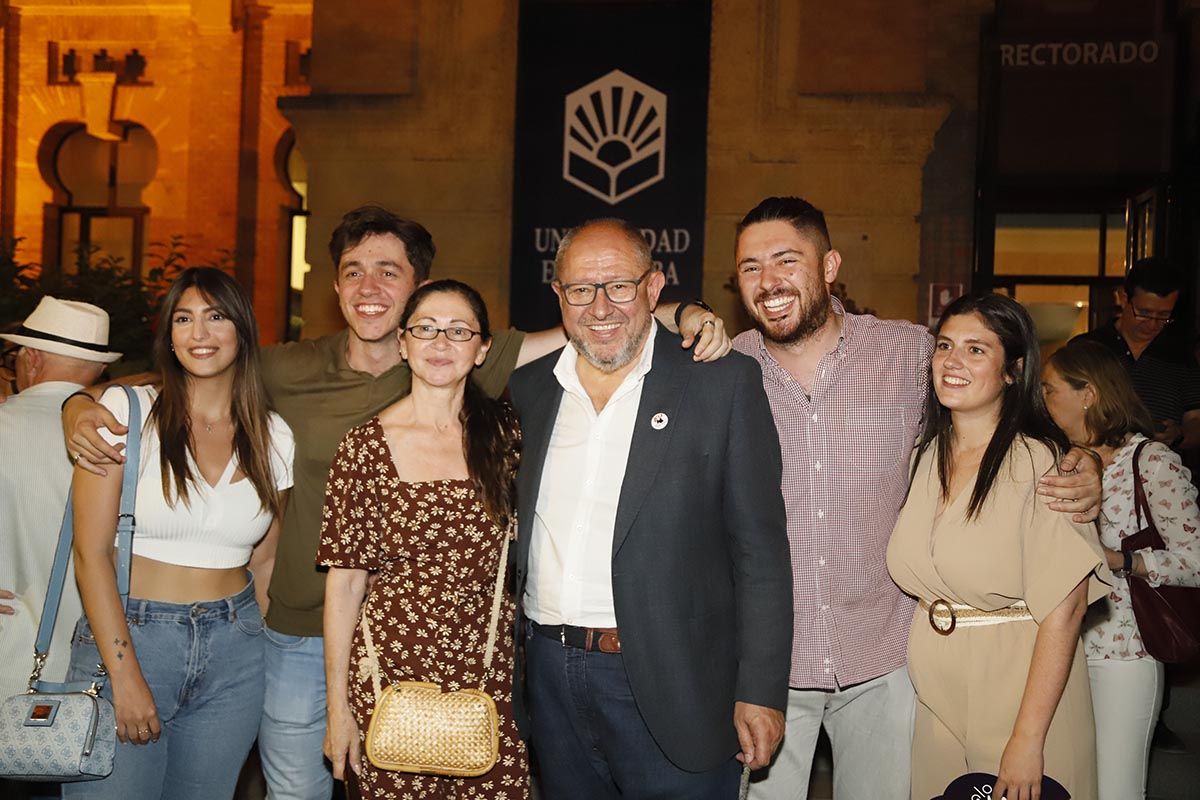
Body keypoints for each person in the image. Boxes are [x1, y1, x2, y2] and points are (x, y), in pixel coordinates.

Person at [58, 206, 730, 800]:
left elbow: (600, 316)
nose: (369, 288)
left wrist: (687, 313)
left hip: (473, 666)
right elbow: (200, 360)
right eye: (353, 272)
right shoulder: (291, 368)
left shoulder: (485, 384)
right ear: (338, 288)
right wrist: (80, 400)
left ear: (423, 294)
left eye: (388, 271)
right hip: (298, 636)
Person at [729, 196, 1102, 800]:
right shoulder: (727, 366)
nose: (768, 281)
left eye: (785, 260)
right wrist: (687, 311)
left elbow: (996, 394)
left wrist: (1082, 462)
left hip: (888, 660)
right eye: (749, 267)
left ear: (829, 266)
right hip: (767, 665)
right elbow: (642, 315)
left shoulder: (910, 354)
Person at [508, 219, 793, 799]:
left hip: (674, 681)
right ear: (558, 296)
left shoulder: (722, 384)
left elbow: (760, 551)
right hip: (548, 677)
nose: (600, 306)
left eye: (619, 285)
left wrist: (761, 689)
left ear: (655, 288)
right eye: (581, 289)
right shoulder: (528, 391)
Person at [62, 267, 294, 800]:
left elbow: (263, 564)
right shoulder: (126, 413)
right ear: (168, 335)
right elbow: (91, 554)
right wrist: (124, 676)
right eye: (184, 319)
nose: (199, 333)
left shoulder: (274, 435)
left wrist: (265, 663)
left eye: (216, 317)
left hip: (236, 651)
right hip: (134, 634)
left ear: (241, 330)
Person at [886, 293, 1109, 800]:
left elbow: (1068, 607)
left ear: (1014, 370)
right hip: (936, 700)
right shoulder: (924, 455)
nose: (953, 362)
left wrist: (1029, 739)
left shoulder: (1041, 463)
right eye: (944, 346)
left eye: (976, 349)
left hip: (1020, 692)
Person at [319, 279, 526, 798]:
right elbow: (344, 587)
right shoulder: (364, 447)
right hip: (388, 678)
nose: (440, 344)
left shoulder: (508, 438)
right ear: (402, 343)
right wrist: (338, 710)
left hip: (488, 676)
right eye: (426, 329)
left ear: (482, 350)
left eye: (459, 331)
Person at [1043, 339, 1200, 800]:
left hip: (1124, 652)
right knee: (1064, 784)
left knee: (1116, 789)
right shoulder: (1051, 459)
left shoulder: (1149, 462)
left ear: (1087, 393)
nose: (1042, 399)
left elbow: (1195, 560)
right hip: (1056, 651)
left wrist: (1120, 560)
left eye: (1050, 389)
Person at [0, 298, 119, 800]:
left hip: (9, 655)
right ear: (96, 369)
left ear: (29, 358)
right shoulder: (127, 434)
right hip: (107, 660)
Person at [1074, 256, 1200, 450]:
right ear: (1124, 298)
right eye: (1144, 312)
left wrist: (1180, 434)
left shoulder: (1182, 358)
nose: (1152, 324)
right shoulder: (1086, 348)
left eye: (1164, 316)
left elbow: (1195, 419)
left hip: (1160, 471)